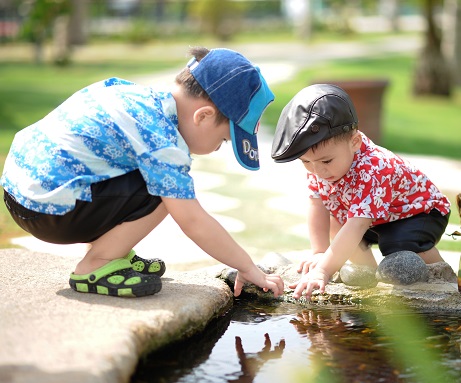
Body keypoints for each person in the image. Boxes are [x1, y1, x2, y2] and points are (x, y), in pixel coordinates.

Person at [1, 46, 284, 299]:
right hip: (48, 211)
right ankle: (96, 265)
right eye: (223, 141)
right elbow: (193, 221)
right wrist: (247, 267)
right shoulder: (161, 139)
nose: (216, 149)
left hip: (21, 192)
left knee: (154, 178)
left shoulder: (137, 97)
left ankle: (114, 252)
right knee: (167, 192)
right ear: (204, 116)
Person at [271, 84, 451, 300]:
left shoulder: (374, 168)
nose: (318, 170)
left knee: (397, 245)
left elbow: (358, 224)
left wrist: (323, 270)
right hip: (377, 217)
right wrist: (320, 252)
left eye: (326, 160)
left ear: (354, 142)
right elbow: (317, 204)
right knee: (337, 223)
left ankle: (443, 279)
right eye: (306, 162)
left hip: (419, 213)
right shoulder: (320, 165)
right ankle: (369, 278)